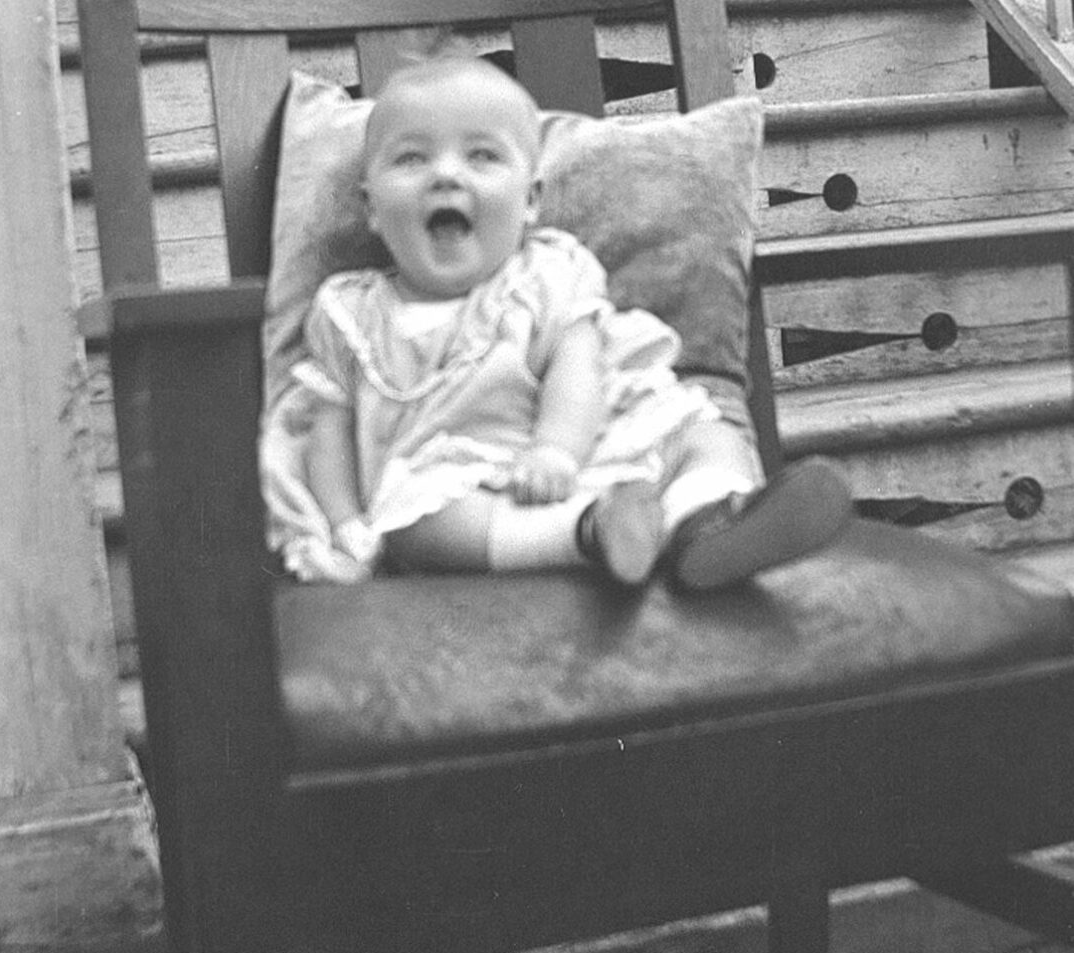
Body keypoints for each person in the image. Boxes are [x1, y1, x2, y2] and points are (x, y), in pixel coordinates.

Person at [290, 55, 852, 588]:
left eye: (482, 156)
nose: (445, 175)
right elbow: (328, 431)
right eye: (412, 158)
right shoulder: (351, 312)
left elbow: (577, 366)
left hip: (590, 442)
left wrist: (556, 450)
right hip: (466, 483)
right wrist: (345, 526)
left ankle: (711, 523)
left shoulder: (548, 275)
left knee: (703, 433)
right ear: (369, 206)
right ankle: (594, 533)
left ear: (530, 200)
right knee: (413, 525)